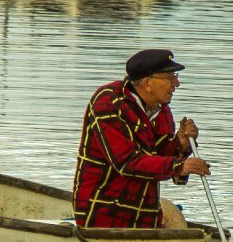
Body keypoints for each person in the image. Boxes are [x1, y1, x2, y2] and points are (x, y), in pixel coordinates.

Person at [73, 48, 211, 228]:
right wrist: (179, 166)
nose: (176, 84)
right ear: (147, 83)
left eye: (175, 76)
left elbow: (158, 157)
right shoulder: (108, 102)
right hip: (103, 213)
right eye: (170, 78)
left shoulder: (161, 108)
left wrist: (181, 145)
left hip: (145, 215)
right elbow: (126, 162)